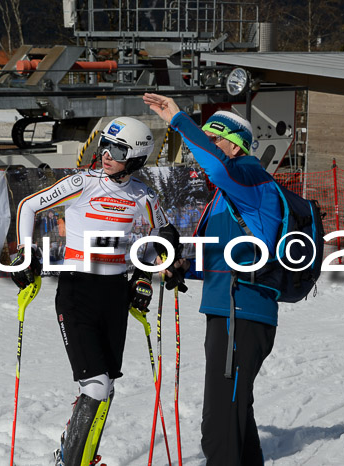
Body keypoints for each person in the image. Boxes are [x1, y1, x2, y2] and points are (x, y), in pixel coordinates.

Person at [11, 116, 180, 466]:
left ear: (134, 158)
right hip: (78, 289)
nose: (106, 154)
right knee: (96, 385)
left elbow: (160, 235)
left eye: (117, 149)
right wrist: (25, 253)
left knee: (107, 386)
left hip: (114, 292)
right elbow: (29, 205)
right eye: (105, 144)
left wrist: (144, 275)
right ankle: (68, 462)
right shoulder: (83, 182)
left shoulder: (142, 195)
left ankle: (80, 455)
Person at [144, 92, 283, 465]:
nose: (203, 146)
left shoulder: (251, 178)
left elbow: (217, 167)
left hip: (243, 314)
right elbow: (221, 253)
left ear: (234, 146)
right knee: (235, 420)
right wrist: (182, 266)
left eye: (213, 138)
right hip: (228, 312)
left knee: (219, 426)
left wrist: (180, 120)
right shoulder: (227, 194)